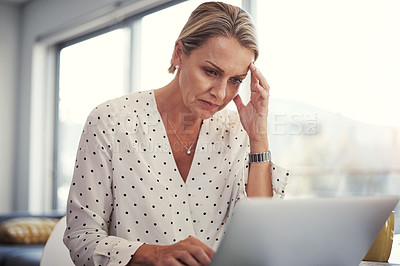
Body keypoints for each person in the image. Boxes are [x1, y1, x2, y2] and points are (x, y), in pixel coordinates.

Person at [63, 1, 289, 266]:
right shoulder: (110, 121)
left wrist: (258, 137)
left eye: (235, 80)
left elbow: (259, 234)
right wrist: (153, 254)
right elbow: (82, 238)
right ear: (179, 54)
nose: (220, 93)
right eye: (211, 72)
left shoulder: (237, 132)